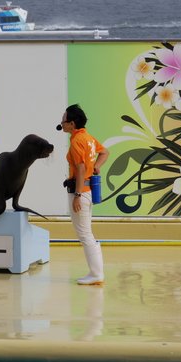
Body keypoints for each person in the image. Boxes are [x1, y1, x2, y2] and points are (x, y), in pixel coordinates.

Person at [59, 104, 109, 285]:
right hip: (88, 189)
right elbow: (104, 152)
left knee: (85, 234)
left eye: (64, 121)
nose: (61, 124)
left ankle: (96, 274)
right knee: (86, 232)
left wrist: (78, 195)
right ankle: (96, 273)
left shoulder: (76, 142)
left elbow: (80, 169)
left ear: (72, 123)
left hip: (81, 191)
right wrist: (96, 166)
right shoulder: (87, 138)